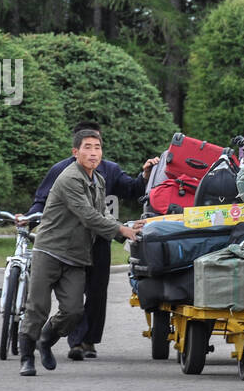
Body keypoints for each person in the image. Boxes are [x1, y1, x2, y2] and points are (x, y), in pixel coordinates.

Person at [21, 123, 160, 360]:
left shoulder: (105, 174)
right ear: (76, 149)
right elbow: (80, 212)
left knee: (89, 297)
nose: (94, 151)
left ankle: (78, 340)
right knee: (39, 306)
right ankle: (31, 354)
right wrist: (29, 220)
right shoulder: (64, 173)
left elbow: (118, 199)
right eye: (88, 145)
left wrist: (145, 177)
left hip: (90, 244)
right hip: (54, 246)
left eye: (98, 145)